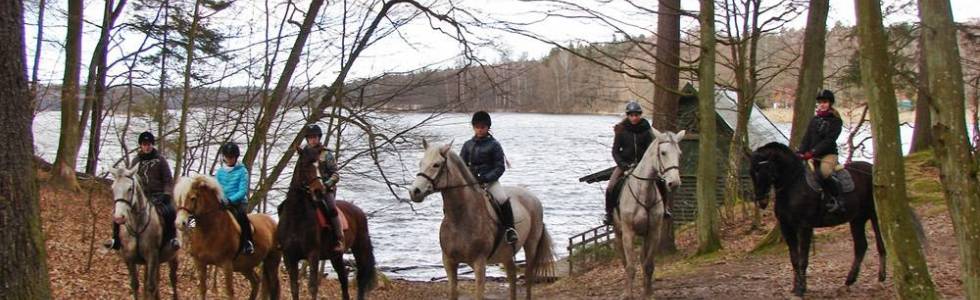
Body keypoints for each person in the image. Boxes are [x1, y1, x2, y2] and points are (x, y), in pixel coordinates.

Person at [106, 131, 178, 250]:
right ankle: (115, 239)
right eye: (144, 144)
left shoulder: (161, 160)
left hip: (158, 195)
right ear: (141, 145)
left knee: (170, 211)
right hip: (140, 196)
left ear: (152, 145)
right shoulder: (136, 161)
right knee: (116, 211)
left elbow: (168, 179)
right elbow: (130, 179)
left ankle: (172, 239)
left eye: (149, 144)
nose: (147, 146)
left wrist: (167, 193)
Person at [460, 111, 518, 245]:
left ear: (487, 128)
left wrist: (486, 178)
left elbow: (499, 167)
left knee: (502, 199)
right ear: (474, 127)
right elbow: (461, 165)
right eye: (477, 127)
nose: (480, 130)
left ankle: (510, 229)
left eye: (483, 127)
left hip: (490, 182)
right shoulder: (467, 145)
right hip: (471, 183)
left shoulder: (494, 145)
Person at [605, 101, 661, 225]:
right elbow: (615, 151)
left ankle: (664, 209)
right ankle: (609, 213)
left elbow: (650, 149)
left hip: (643, 164)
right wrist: (622, 164)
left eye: (636, 115)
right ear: (628, 116)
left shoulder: (647, 130)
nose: (634, 118)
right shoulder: (621, 130)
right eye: (631, 115)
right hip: (624, 164)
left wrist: (647, 163)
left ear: (640, 115)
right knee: (610, 187)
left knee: (661, 181)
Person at [798, 89, 845, 213]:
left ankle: (837, 199)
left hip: (828, 154)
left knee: (824, 172)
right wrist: (801, 152)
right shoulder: (814, 120)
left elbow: (829, 141)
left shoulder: (836, 121)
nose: (822, 104)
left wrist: (812, 152)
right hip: (812, 155)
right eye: (820, 102)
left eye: (825, 102)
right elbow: (807, 137)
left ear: (830, 103)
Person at [303, 124, 345, 252]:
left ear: (319, 137)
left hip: (325, 190)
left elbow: (336, 174)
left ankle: (339, 238)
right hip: (307, 189)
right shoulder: (304, 153)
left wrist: (326, 185)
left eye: (315, 137)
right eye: (310, 137)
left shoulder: (326, 154)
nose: (313, 140)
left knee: (331, 208)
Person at [215, 142, 255, 255]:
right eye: (227, 157)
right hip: (222, 202)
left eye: (231, 157)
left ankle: (248, 242)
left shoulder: (242, 171)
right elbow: (216, 187)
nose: (229, 159)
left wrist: (230, 200)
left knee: (242, 217)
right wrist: (219, 199)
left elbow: (242, 191)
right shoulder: (220, 172)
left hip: (238, 202)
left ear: (236, 157)